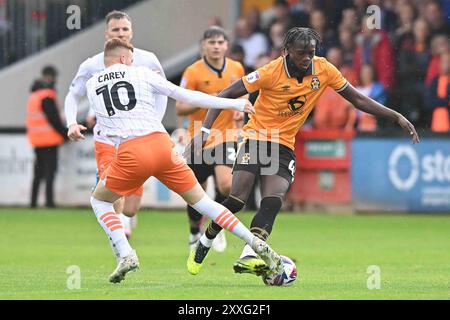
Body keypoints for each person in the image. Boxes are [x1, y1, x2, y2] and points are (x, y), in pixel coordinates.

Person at [186, 27, 419, 277]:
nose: (307, 58)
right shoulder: (271, 71)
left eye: (311, 52)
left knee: (273, 199)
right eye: (301, 53)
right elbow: (225, 94)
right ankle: (206, 239)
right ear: (286, 51)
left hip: (284, 144)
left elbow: (357, 99)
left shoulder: (324, 69)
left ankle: (249, 254)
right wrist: (204, 132)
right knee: (237, 199)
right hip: (256, 137)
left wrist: (396, 116)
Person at [66, 38, 282, 283]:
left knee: (100, 201)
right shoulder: (143, 74)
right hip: (161, 146)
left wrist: (72, 124)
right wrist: (233, 103)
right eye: (131, 58)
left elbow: (103, 126)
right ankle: (254, 242)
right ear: (124, 59)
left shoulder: (93, 85)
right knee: (206, 203)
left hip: (131, 152)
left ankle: (125, 254)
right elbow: (184, 95)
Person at [64, 10, 166, 241]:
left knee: (130, 207)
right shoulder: (91, 65)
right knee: (116, 199)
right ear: (106, 34)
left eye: (125, 29)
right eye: (116, 29)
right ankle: (122, 248)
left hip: (140, 137)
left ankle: (125, 218)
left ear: (132, 32)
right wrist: (71, 123)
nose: (121, 33)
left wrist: (155, 123)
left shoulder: (148, 59)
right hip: (107, 137)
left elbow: (163, 93)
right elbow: (73, 95)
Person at [176, 26, 246, 253]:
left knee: (226, 185)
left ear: (226, 45)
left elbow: (245, 93)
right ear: (204, 46)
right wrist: (206, 100)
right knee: (195, 192)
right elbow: (180, 107)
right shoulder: (193, 72)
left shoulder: (236, 68)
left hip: (226, 135)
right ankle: (194, 232)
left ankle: (218, 223)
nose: (216, 47)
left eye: (220, 42)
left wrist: (240, 110)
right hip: (198, 136)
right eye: (212, 42)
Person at [26, 66, 67, 208]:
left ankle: (33, 203)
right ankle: (49, 203)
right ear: (51, 77)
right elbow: (53, 119)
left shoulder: (34, 95)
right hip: (49, 140)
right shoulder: (47, 95)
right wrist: (65, 134)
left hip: (37, 141)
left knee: (38, 173)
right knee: (50, 173)